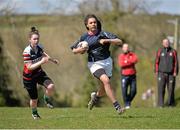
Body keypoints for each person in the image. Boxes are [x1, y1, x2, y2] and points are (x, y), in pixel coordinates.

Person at [71, 14, 125, 114]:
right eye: (91, 23)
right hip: (94, 63)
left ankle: (95, 98)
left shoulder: (103, 34)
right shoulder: (84, 37)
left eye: (95, 22)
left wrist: (106, 40)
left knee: (103, 89)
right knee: (106, 81)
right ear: (87, 25)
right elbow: (74, 50)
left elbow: (119, 41)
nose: (93, 24)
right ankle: (117, 107)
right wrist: (81, 49)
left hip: (107, 62)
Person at [22, 27, 59, 119]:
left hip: (39, 73)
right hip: (29, 78)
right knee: (34, 99)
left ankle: (46, 99)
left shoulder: (39, 46)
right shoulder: (27, 52)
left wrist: (52, 60)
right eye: (34, 39)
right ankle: (34, 113)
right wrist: (42, 62)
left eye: (37, 38)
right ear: (29, 39)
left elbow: (44, 54)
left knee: (51, 86)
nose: (36, 40)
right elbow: (29, 67)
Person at [155, 38, 178, 107]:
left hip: (171, 74)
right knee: (161, 89)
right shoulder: (159, 51)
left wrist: (175, 72)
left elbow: (176, 62)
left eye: (167, 42)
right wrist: (156, 71)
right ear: (162, 43)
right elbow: (156, 62)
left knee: (171, 89)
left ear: (169, 43)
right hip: (161, 73)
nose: (166, 43)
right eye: (165, 42)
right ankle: (160, 105)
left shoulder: (173, 51)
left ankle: (171, 104)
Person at [118, 43, 138, 109]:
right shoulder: (121, 56)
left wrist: (126, 61)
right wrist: (130, 62)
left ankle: (128, 101)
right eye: (125, 47)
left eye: (127, 47)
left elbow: (135, 60)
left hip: (133, 75)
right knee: (124, 91)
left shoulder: (132, 54)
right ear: (122, 48)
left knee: (134, 91)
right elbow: (121, 64)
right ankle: (126, 104)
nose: (126, 48)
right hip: (124, 75)